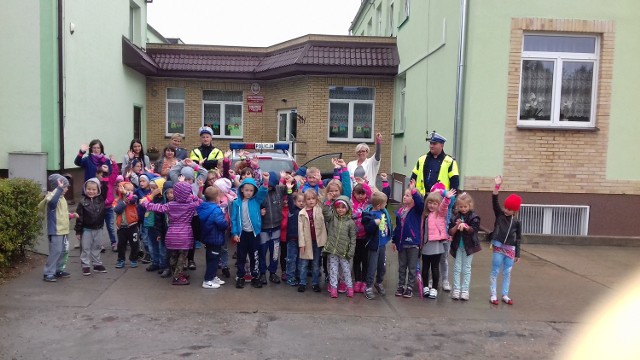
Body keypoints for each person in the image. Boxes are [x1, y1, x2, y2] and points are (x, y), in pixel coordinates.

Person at [141, 181, 203, 285]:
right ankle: (177, 277)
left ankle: (176, 273)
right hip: (185, 234)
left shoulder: (170, 205)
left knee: (173, 255)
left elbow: (155, 207)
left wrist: (145, 201)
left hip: (171, 233)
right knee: (182, 257)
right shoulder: (191, 205)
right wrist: (192, 196)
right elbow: (200, 201)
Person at [230, 172, 269, 289]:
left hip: (254, 234)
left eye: (251, 190)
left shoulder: (256, 200)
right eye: (246, 190)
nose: (248, 192)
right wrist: (235, 233)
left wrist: (266, 181)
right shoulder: (236, 203)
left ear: (254, 191)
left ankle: (255, 276)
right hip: (242, 235)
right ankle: (240, 276)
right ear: (242, 190)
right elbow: (234, 220)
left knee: (254, 256)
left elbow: (263, 192)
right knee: (241, 257)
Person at [489, 176, 522, 305]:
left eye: (509, 209)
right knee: (495, 270)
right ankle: (493, 294)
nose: (506, 210)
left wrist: (518, 253)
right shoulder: (500, 215)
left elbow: (518, 238)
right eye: (505, 207)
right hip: (498, 246)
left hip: (510, 249)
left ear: (515, 210)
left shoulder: (517, 222)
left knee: (507, 272)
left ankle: (505, 294)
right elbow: (494, 201)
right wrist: (496, 187)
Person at [40, 174, 78, 282]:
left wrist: (71, 215)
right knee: (55, 251)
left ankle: (58, 269)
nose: (66, 189)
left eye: (65, 187)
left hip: (63, 229)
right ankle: (48, 272)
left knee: (63, 251)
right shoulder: (51, 197)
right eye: (64, 186)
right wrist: (59, 189)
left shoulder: (62, 198)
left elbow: (62, 213)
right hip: (55, 230)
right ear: (57, 186)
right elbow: (52, 204)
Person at [420, 187, 456, 299]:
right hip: (425, 245)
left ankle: (434, 288)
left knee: (435, 267)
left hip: (436, 246)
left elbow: (444, 207)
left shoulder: (439, 214)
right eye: (430, 203)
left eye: (435, 203)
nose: (432, 205)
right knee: (425, 267)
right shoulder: (424, 215)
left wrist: (446, 198)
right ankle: (425, 286)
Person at [391, 179, 424, 298]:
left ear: (413, 198)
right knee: (402, 266)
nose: (405, 197)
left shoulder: (416, 210)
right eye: (404, 195)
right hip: (401, 243)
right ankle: (401, 286)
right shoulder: (400, 211)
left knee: (412, 267)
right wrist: (394, 240)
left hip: (413, 243)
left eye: (408, 195)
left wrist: (414, 190)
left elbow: (420, 203)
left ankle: (409, 287)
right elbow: (398, 228)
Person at [322, 193, 357, 298]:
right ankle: (333, 288)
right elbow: (325, 213)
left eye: (343, 207)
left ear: (348, 208)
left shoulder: (350, 222)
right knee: (333, 270)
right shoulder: (332, 218)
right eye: (338, 207)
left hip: (344, 252)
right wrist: (327, 202)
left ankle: (349, 287)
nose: (340, 210)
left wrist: (351, 251)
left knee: (346, 270)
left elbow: (353, 238)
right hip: (332, 250)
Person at [448, 192, 481, 301]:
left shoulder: (474, 216)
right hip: (458, 246)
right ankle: (456, 289)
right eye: (461, 206)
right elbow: (451, 231)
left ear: (470, 205)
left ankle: (465, 290)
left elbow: (474, 230)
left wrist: (466, 226)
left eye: (465, 206)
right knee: (457, 268)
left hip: (469, 247)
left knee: (467, 268)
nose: (463, 209)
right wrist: (457, 226)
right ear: (457, 206)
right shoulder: (455, 216)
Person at [361, 191, 393, 300]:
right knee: (372, 266)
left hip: (383, 245)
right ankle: (368, 286)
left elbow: (388, 224)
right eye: (385, 203)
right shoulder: (369, 215)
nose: (386, 205)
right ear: (379, 205)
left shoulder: (384, 212)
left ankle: (379, 282)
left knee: (382, 266)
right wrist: (374, 223)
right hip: (374, 246)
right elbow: (368, 229)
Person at [74, 177, 109, 276]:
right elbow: (79, 218)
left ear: (98, 190)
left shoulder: (101, 199)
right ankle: (85, 265)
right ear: (85, 189)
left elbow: (106, 188)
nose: (91, 191)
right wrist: (78, 231)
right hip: (87, 229)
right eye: (89, 189)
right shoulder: (82, 202)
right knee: (85, 248)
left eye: (94, 189)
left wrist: (105, 175)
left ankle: (97, 264)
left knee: (97, 247)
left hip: (98, 228)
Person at [197, 186, 229, 289]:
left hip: (209, 238)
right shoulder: (216, 210)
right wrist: (226, 223)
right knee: (213, 260)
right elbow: (221, 223)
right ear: (216, 198)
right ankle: (208, 280)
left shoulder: (203, 207)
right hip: (215, 238)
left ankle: (213, 276)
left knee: (212, 258)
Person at [410, 131, 459, 196]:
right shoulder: (422, 159)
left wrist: (451, 200)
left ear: (442, 145)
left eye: (434, 144)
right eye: (430, 143)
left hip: (441, 200)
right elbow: (413, 178)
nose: (431, 146)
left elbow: (454, 183)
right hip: (421, 198)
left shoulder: (450, 161)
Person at [259, 171, 287, 285]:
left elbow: (291, 189)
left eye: (271, 184)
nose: (269, 187)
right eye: (267, 184)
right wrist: (259, 211)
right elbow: (254, 204)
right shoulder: (260, 192)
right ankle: (262, 273)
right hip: (263, 229)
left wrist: (289, 179)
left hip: (276, 227)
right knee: (262, 252)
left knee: (275, 252)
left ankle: (272, 272)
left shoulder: (279, 190)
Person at [297, 189, 327, 293]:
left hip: (317, 242)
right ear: (305, 200)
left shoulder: (319, 209)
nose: (311, 201)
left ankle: (315, 283)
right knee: (304, 264)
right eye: (308, 199)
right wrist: (301, 244)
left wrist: (321, 186)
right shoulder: (302, 213)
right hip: (307, 242)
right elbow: (300, 231)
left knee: (316, 263)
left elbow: (324, 199)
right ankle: (302, 283)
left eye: (313, 198)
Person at [351, 181, 373, 293]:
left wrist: (365, 184)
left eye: (362, 193)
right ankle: (357, 280)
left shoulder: (368, 204)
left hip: (365, 237)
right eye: (358, 193)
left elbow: (370, 192)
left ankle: (364, 281)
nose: (360, 196)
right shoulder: (351, 204)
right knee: (356, 260)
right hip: (354, 238)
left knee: (365, 260)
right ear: (354, 193)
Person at [114, 181, 141, 268]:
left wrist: (126, 193)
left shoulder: (134, 197)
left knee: (134, 244)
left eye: (131, 190)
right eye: (126, 189)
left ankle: (133, 259)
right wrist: (124, 202)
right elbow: (117, 210)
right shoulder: (117, 200)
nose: (129, 191)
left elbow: (133, 200)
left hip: (133, 226)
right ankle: (121, 260)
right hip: (121, 227)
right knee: (121, 245)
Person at [285, 180, 304, 286]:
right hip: (292, 239)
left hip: (301, 240)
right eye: (299, 201)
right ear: (295, 202)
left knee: (300, 259)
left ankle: (297, 275)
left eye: (303, 201)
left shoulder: (305, 211)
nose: (301, 203)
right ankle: (290, 277)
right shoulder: (293, 210)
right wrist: (289, 189)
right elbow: (290, 200)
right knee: (291, 259)